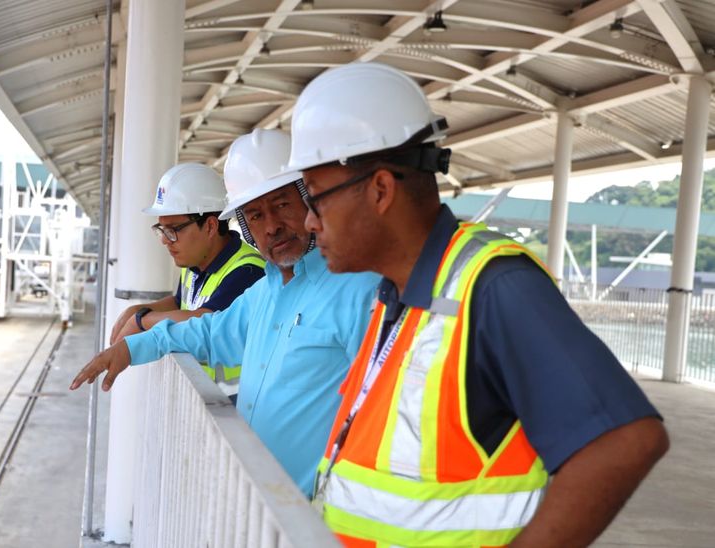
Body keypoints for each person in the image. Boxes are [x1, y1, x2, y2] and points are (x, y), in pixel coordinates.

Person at [286, 62, 669, 547]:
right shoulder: (395, 298)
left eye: (315, 198)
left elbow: (626, 441)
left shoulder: (495, 288)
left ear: (381, 190)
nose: (307, 223)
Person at [70, 129, 380, 497]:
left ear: (310, 202)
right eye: (254, 214)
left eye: (282, 205)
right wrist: (131, 348)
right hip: (259, 502)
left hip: (313, 518)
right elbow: (208, 332)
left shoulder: (359, 288)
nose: (271, 226)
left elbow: (377, 414)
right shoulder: (265, 291)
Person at [108, 163, 265, 396]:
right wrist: (139, 309)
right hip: (204, 401)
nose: (165, 240)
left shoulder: (247, 271)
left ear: (210, 226)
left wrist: (143, 320)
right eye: (161, 230)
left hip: (233, 411)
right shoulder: (194, 262)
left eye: (173, 230)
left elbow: (204, 321)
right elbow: (179, 303)